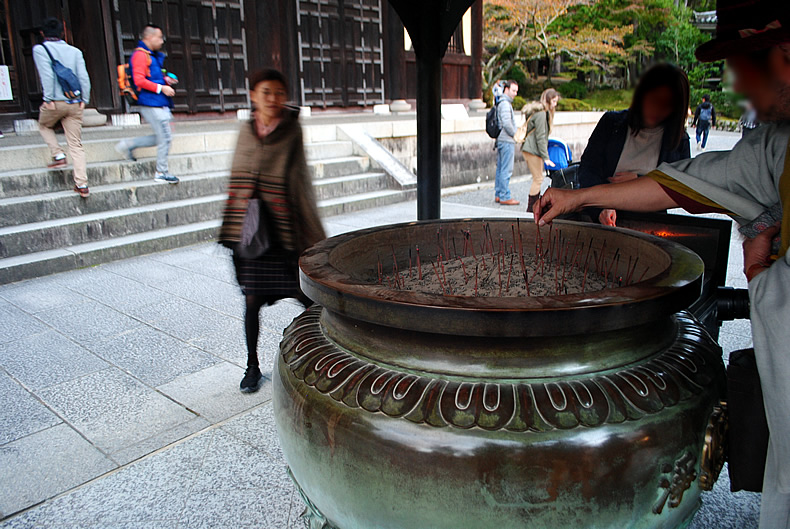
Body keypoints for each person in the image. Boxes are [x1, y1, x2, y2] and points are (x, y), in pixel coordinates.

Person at [534, 1, 790, 525]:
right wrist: (579, 199)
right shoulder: (776, 146)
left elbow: (680, 184)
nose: (739, 88)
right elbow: (687, 182)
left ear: (782, 48)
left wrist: (766, 278)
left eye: (745, 68)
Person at [219, 69, 326, 393]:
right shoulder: (246, 130)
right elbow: (237, 177)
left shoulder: (291, 131)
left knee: (307, 298)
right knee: (251, 302)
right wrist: (233, 224)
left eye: (279, 92)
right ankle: (252, 366)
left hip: (283, 232)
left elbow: (298, 182)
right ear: (253, 95)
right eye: (266, 92)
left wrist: (312, 236)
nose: (273, 99)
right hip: (251, 234)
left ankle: (319, 358)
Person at [577, 64, 690, 226]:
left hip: (650, 222)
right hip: (604, 214)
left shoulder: (679, 140)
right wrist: (600, 207)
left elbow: (680, 189)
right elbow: (588, 168)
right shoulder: (611, 124)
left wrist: (640, 181)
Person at [32, 17, 91, 198]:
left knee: (44, 125)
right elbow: (83, 76)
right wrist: (85, 98)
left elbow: (47, 75)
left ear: (43, 33)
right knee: (76, 144)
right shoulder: (74, 51)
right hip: (75, 101)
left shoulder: (40, 50)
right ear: (62, 32)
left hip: (55, 101)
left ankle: (58, 155)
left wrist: (47, 98)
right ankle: (82, 185)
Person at [114, 24, 179, 184]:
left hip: (158, 103)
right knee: (165, 137)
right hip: (151, 103)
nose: (162, 41)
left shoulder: (151, 55)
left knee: (163, 136)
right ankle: (161, 172)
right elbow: (139, 80)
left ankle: (128, 145)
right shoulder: (140, 55)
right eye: (159, 37)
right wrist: (161, 87)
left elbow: (151, 76)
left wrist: (165, 80)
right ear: (149, 37)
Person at [521, 88, 560, 211]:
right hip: (533, 150)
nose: (555, 104)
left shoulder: (539, 112)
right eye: (553, 101)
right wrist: (546, 157)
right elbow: (540, 137)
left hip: (530, 149)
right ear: (548, 100)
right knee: (538, 179)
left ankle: (533, 208)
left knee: (537, 178)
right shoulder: (542, 114)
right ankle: (531, 209)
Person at [495, 80, 520, 206]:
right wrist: (516, 134)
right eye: (513, 90)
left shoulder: (501, 102)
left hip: (501, 139)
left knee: (500, 168)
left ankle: (499, 194)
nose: (515, 94)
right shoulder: (505, 104)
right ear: (506, 89)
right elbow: (507, 123)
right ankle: (504, 195)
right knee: (506, 169)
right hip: (506, 140)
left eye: (516, 91)